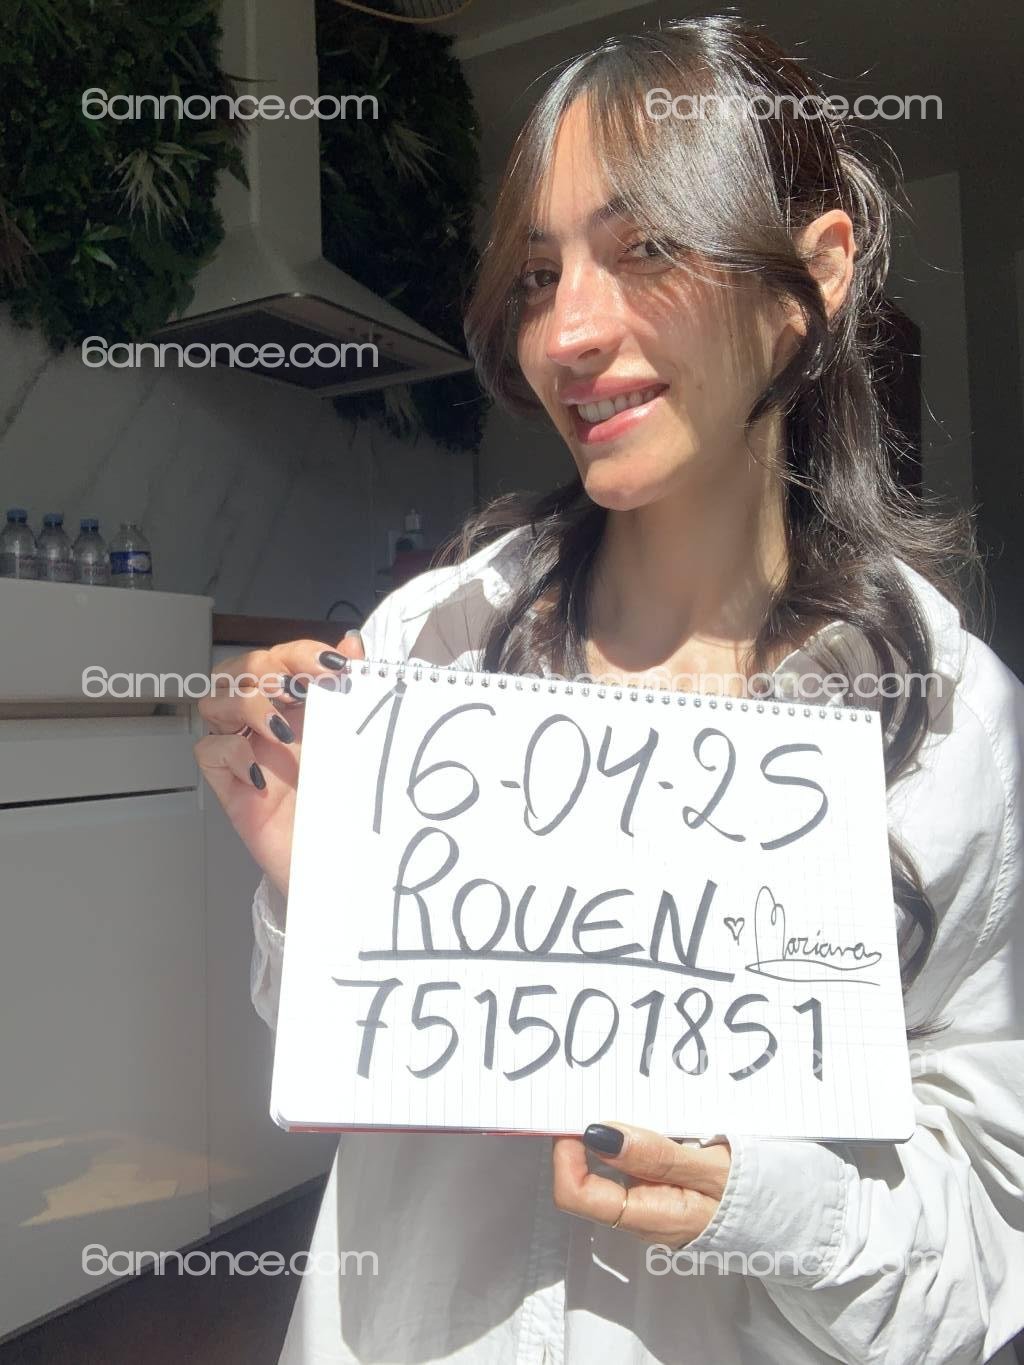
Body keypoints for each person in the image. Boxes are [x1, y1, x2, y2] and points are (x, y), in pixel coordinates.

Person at [195, 14, 1024, 1364]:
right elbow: (352, 1057)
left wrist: (765, 1200)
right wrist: (321, 899)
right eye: (538, 277)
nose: (567, 332)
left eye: (647, 249)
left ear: (811, 279)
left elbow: (988, 1246)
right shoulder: (431, 642)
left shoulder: (952, 727)